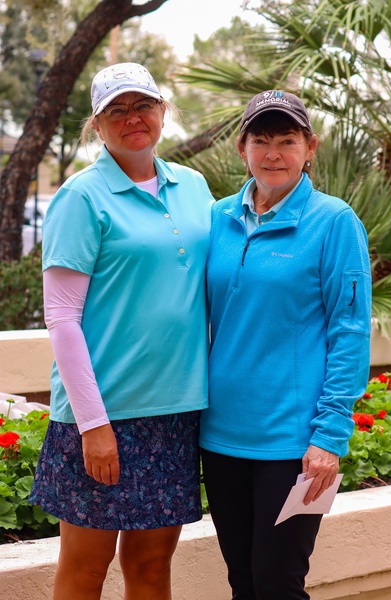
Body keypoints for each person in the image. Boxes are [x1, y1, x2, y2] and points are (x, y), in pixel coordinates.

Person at [29, 62, 214, 600]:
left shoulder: (194, 187)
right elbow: (62, 317)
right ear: (97, 124)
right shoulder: (80, 197)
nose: (133, 117)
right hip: (102, 415)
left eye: (143, 105)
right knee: (86, 569)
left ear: (162, 111)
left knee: (152, 566)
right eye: (117, 110)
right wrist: (93, 425)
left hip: (176, 413)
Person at [200, 90, 372, 599]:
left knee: (278, 584)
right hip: (220, 438)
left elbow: (350, 332)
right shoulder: (217, 219)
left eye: (287, 140)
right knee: (243, 583)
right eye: (261, 140)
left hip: (296, 445)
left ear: (309, 148)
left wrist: (329, 437)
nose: (273, 153)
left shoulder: (335, 222)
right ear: (242, 148)